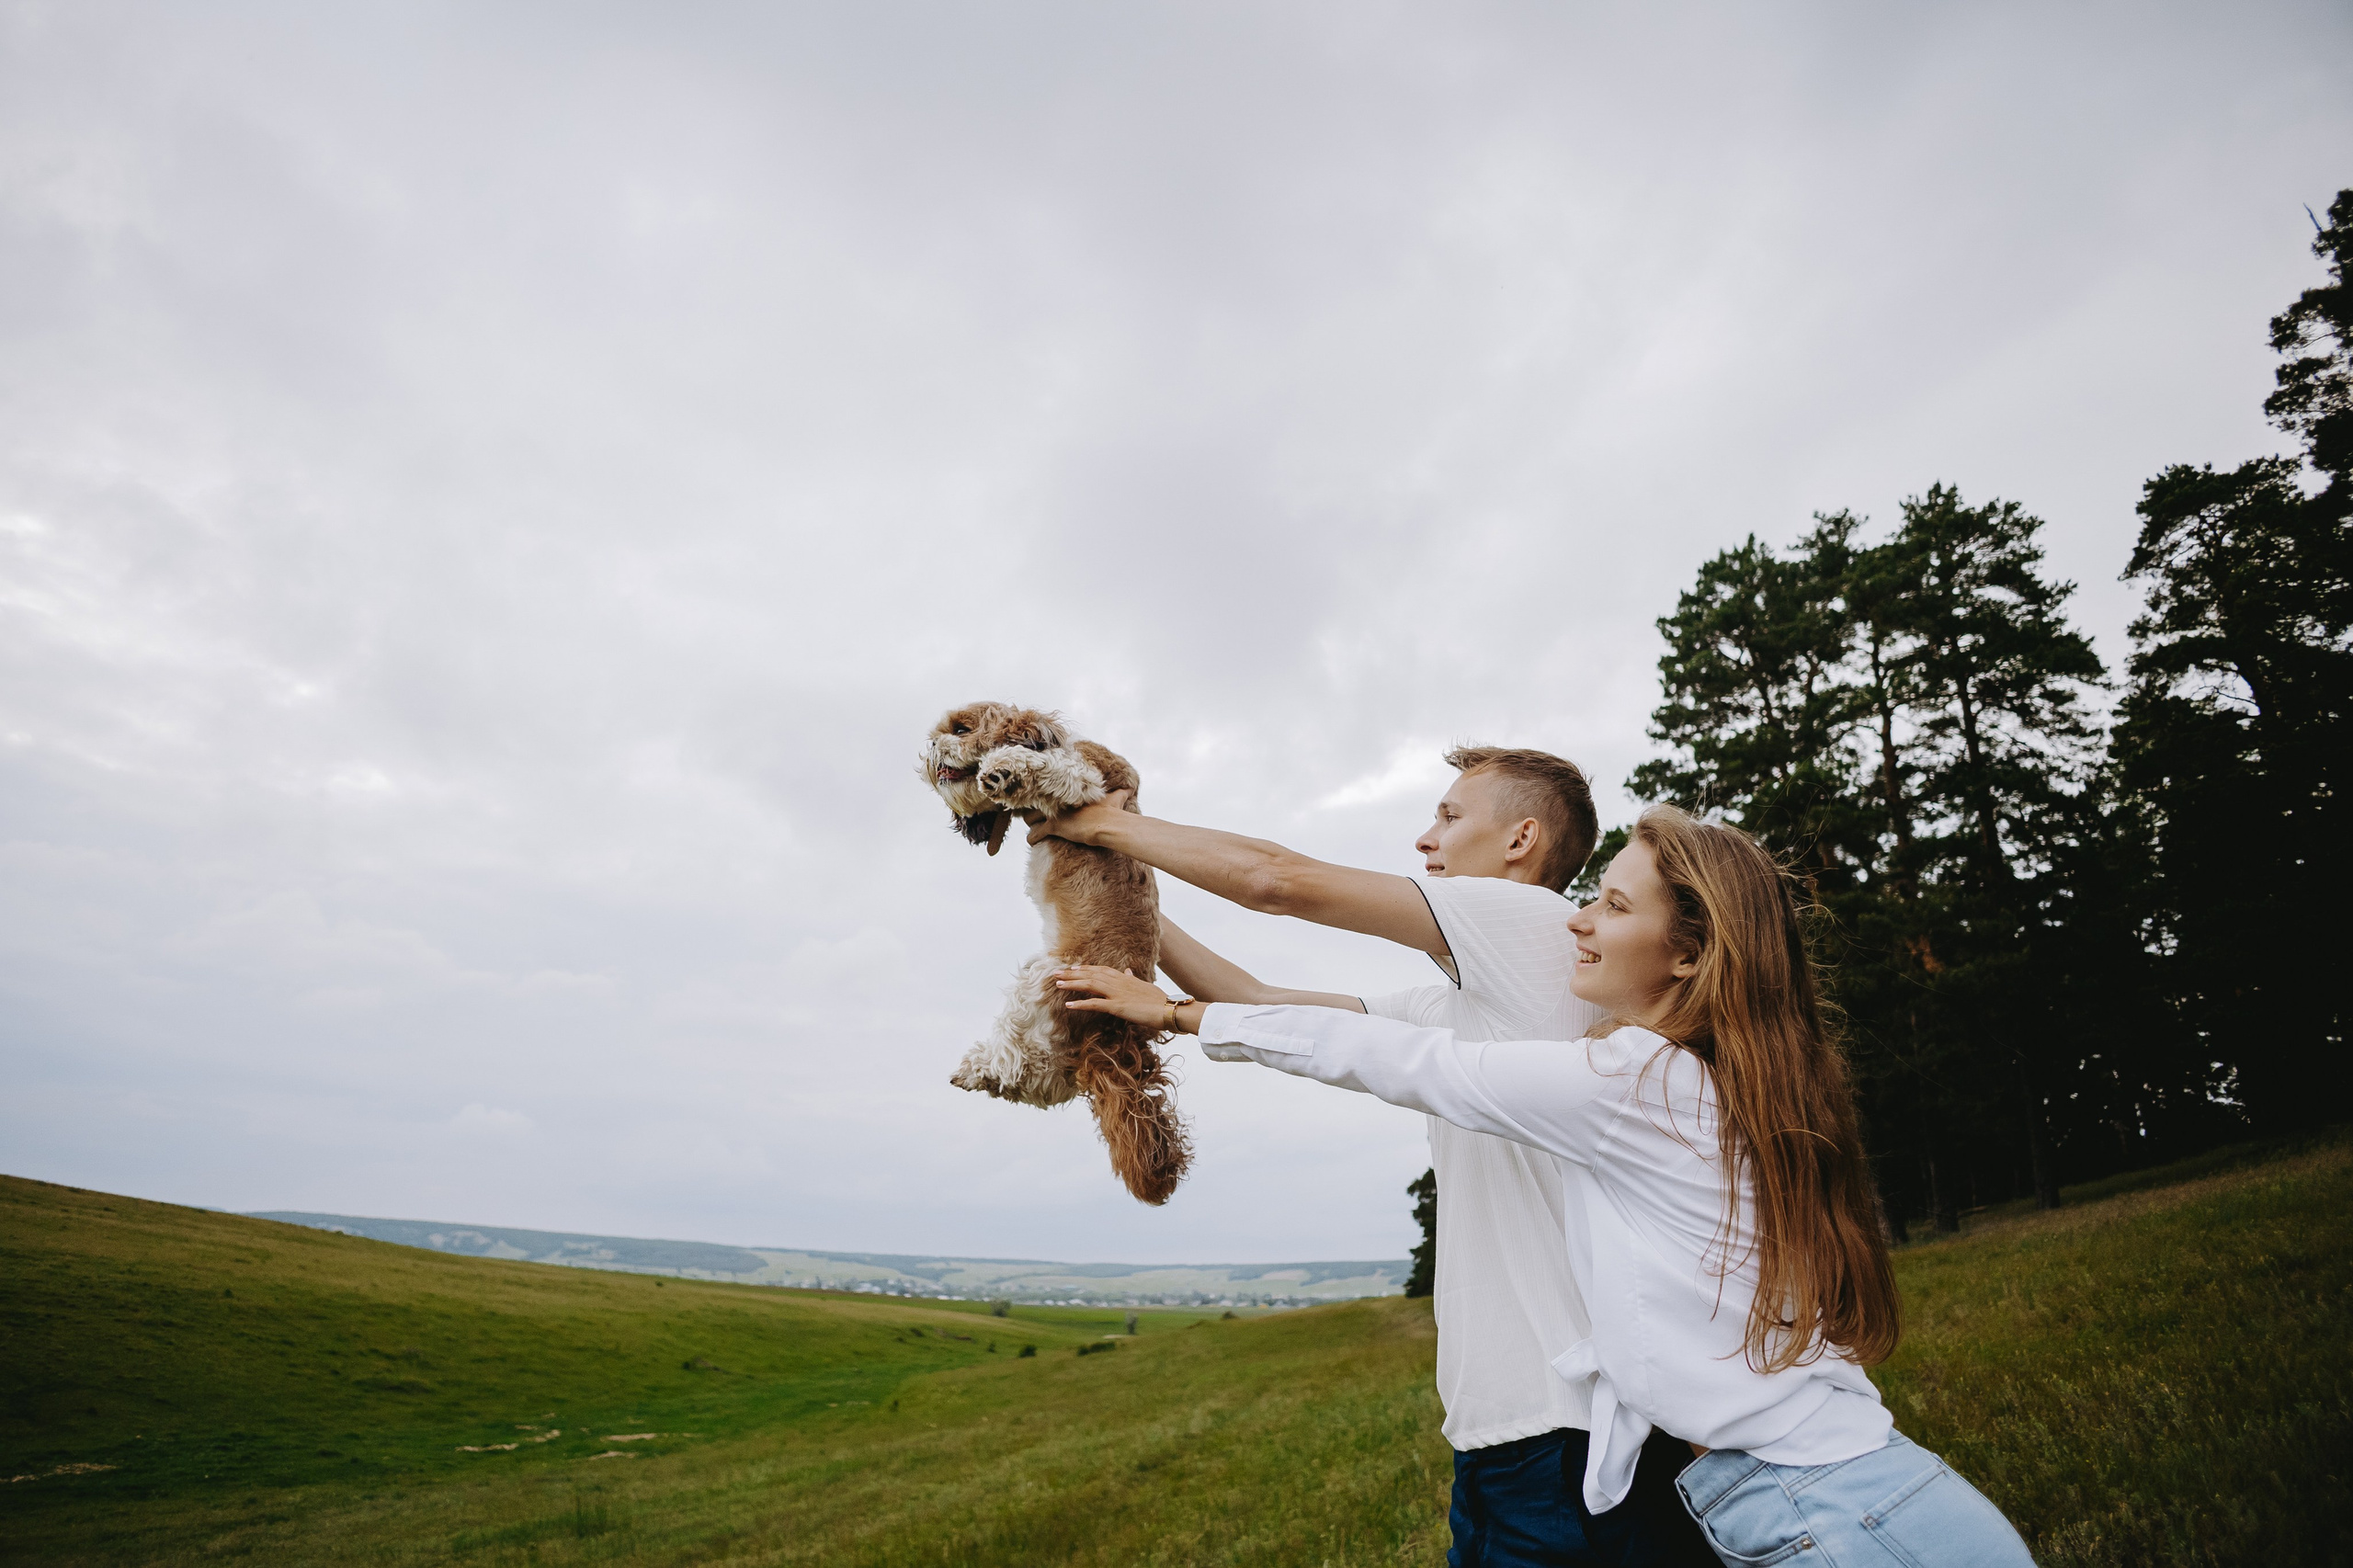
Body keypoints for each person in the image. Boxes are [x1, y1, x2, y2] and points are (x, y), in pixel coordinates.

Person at [1053, 805, 2040, 1568]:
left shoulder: (1640, 1081)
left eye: (1614, 904)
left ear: (1689, 951)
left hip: (1838, 1519)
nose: (1580, 917)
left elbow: (1406, 1062)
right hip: (1851, 1494)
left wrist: (1178, 1015)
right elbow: (1367, 1030)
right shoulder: (1705, 1075)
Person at [1032, 749, 1715, 1567]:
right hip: (1516, 1442)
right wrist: (1113, 886)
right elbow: (1258, 1004)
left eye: (1451, 817)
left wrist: (1092, 821)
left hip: (1565, 1440)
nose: (1426, 840)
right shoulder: (1474, 1003)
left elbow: (1276, 881)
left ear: (1521, 840)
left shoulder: (1531, 922)